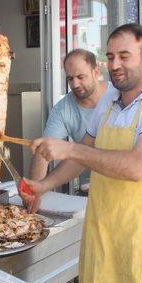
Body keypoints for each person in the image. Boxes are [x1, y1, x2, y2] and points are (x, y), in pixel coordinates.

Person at [22, 23, 142, 283]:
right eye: (110, 57)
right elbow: (84, 156)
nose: (115, 65)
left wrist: (69, 149)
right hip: (102, 231)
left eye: (125, 56)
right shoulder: (108, 103)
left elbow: (136, 167)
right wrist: (44, 185)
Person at [28, 49, 108, 189]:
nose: (75, 84)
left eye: (81, 77)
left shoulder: (120, 97)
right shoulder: (62, 109)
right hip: (90, 187)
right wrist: (34, 189)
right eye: (70, 79)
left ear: (96, 72)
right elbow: (44, 151)